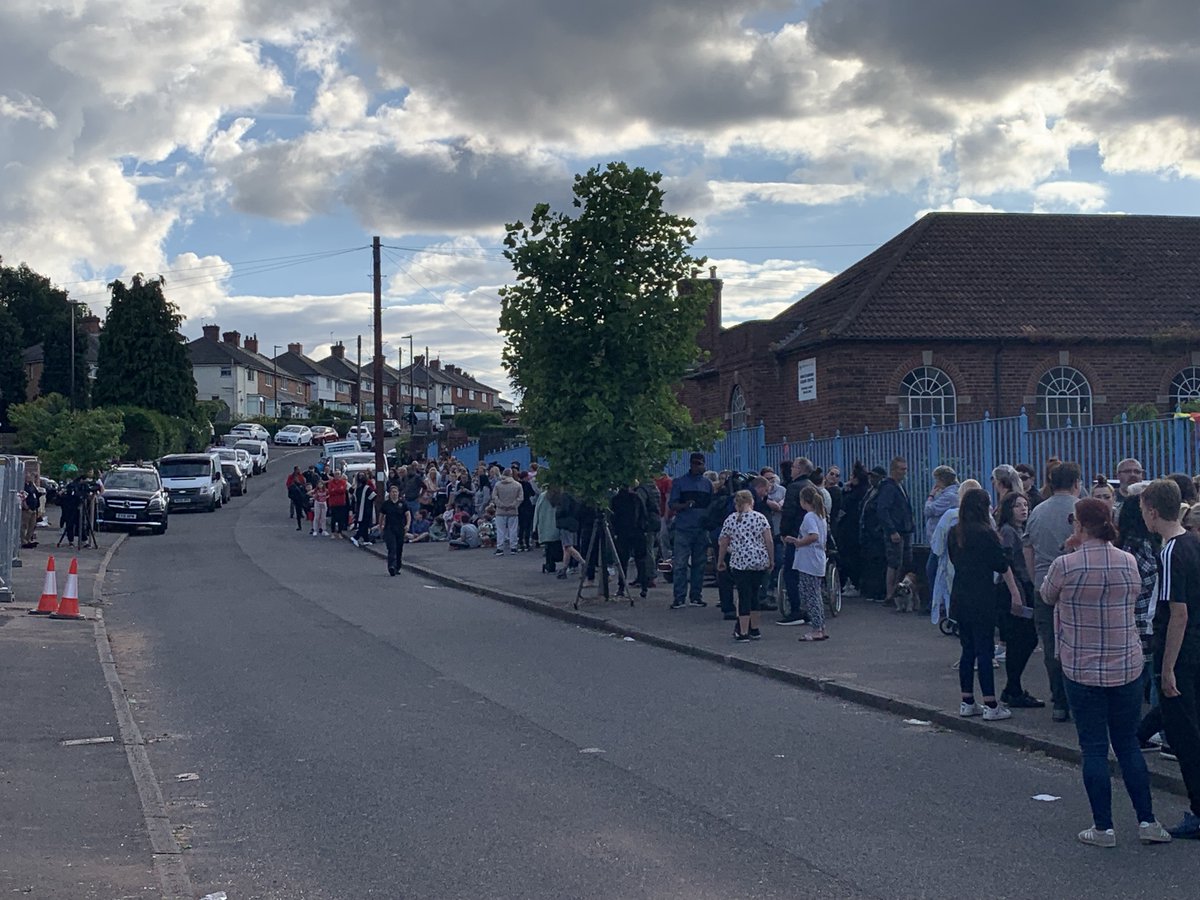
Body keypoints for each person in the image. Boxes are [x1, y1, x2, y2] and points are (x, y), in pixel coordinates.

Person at [1041, 497, 1172, 848]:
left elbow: (1047, 595)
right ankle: (1148, 821)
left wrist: (1069, 550)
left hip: (1081, 665)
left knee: (1094, 748)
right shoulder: (1127, 561)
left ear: (1079, 524)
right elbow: (1135, 593)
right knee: (1127, 744)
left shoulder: (1065, 565)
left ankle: (1103, 828)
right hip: (1125, 663)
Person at [1140, 478, 1200, 838]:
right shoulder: (1193, 542)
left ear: (1152, 511)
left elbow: (1177, 613)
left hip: (1179, 650)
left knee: (1184, 735)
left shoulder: (1169, 551)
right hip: (1196, 646)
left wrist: (1167, 669)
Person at [948, 488, 1023, 721]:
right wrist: (1015, 592)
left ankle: (967, 701)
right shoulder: (986, 533)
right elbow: (1001, 564)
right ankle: (991, 703)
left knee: (967, 649)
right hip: (982, 596)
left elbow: (953, 559)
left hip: (960, 595)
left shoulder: (955, 532)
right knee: (985, 650)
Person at [1024, 460, 1083, 722]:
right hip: (1078, 586)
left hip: (1044, 583)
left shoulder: (1037, 511)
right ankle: (1078, 698)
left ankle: (1059, 701)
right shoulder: (1082, 509)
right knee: (1080, 643)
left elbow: (1028, 548)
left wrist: (1035, 578)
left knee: (1051, 645)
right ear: (1076, 483)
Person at [996, 492, 1043, 708]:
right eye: (1018, 506)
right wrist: (1016, 593)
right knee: (1022, 638)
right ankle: (1012, 688)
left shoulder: (1021, 529)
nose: (1024, 509)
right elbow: (1007, 563)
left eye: (1025, 505)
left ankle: (1013, 687)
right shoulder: (1008, 531)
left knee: (1025, 639)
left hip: (1023, 585)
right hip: (1014, 588)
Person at [717, 489, 774, 642]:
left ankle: (743, 631)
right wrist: (771, 559)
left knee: (743, 596)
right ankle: (755, 629)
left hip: (740, 562)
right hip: (759, 560)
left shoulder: (731, 519)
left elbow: (724, 542)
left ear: (737, 504)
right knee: (755, 594)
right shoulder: (760, 518)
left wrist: (720, 561)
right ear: (751, 502)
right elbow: (769, 540)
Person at [928, 479, 983, 626]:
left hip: (953, 563)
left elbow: (937, 545)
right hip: (979, 566)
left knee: (951, 591)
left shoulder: (950, 515)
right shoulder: (986, 517)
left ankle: (954, 619)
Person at [667, 453, 713, 610]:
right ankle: (679, 598)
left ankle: (696, 596)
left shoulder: (707, 484)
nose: (697, 466)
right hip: (684, 528)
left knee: (699, 565)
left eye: (700, 464)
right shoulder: (680, 482)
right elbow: (672, 504)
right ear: (691, 464)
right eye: (695, 463)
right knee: (680, 564)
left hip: (701, 529)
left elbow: (711, 505)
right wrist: (685, 505)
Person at [787, 485, 829, 641]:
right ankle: (820, 626)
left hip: (809, 560)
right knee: (815, 593)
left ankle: (816, 628)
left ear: (803, 501)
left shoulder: (809, 517)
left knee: (810, 594)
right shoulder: (820, 516)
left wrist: (798, 542)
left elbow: (813, 535)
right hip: (817, 558)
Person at [778, 458, 816, 622]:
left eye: (793, 467)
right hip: (811, 536)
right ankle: (812, 608)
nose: (791, 470)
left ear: (800, 469)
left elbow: (788, 512)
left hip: (795, 535)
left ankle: (796, 609)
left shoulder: (794, 488)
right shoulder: (813, 487)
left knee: (790, 573)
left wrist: (784, 532)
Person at [877, 456, 914, 605]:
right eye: (901, 469)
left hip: (904, 530)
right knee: (894, 563)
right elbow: (883, 510)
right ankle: (890, 594)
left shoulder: (899, 486)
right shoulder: (889, 487)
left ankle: (898, 592)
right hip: (896, 531)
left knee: (903, 562)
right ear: (893, 470)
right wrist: (892, 530)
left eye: (905, 469)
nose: (904, 472)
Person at [924, 466, 960, 611]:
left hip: (941, 541)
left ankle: (938, 604)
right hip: (940, 540)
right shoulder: (952, 493)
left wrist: (931, 496)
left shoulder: (949, 496)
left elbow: (929, 510)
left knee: (933, 570)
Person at [611, 484, 651, 598]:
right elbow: (643, 514)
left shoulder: (616, 500)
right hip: (637, 531)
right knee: (641, 560)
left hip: (623, 533)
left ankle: (621, 587)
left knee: (622, 561)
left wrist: (615, 532)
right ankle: (644, 586)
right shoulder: (636, 498)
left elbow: (613, 517)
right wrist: (643, 528)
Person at [379, 484, 411, 575]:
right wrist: (380, 526)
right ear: (389, 493)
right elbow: (381, 516)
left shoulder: (402, 503)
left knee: (399, 548)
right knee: (392, 547)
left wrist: (407, 525)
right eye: (392, 492)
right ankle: (391, 566)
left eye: (396, 492)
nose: (394, 494)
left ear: (398, 493)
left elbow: (408, 514)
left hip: (400, 528)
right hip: (389, 528)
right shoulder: (386, 504)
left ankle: (397, 566)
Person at [491, 470, 523, 555]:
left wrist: (501, 505)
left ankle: (500, 548)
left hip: (500, 511)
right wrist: (513, 505)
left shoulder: (498, 485)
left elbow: (494, 497)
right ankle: (513, 547)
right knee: (513, 530)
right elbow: (520, 498)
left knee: (500, 530)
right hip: (513, 511)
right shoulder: (517, 485)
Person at [534, 487, 562, 573]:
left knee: (548, 547)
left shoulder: (543, 496)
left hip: (545, 525)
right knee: (558, 545)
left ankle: (550, 565)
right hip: (558, 526)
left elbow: (537, 511)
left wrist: (535, 526)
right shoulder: (561, 496)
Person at [351, 472, 376, 547]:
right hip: (366, 509)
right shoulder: (367, 488)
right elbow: (373, 496)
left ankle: (366, 540)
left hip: (360, 509)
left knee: (363, 524)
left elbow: (354, 498)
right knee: (364, 525)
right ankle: (355, 537)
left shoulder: (357, 488)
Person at [517, 471, 537, 552]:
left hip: (520, 506)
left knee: (521, 525)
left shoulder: (517, 484)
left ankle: (520, 542)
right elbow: (533, 493)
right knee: (528, 525)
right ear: (525, 477)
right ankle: (527, 543)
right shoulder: (527, 484)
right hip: (527, 505)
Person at [21, 472, 41, 549]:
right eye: (28, 477)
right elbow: (22, 496)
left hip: (34, 508)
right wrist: (26, 506)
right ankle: (23, 541)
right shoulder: (23, 486)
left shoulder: (32, 485)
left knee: (32, 525)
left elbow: (36, 493)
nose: (29, 478)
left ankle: (28, 539)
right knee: (24, 525)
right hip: (27, 509)